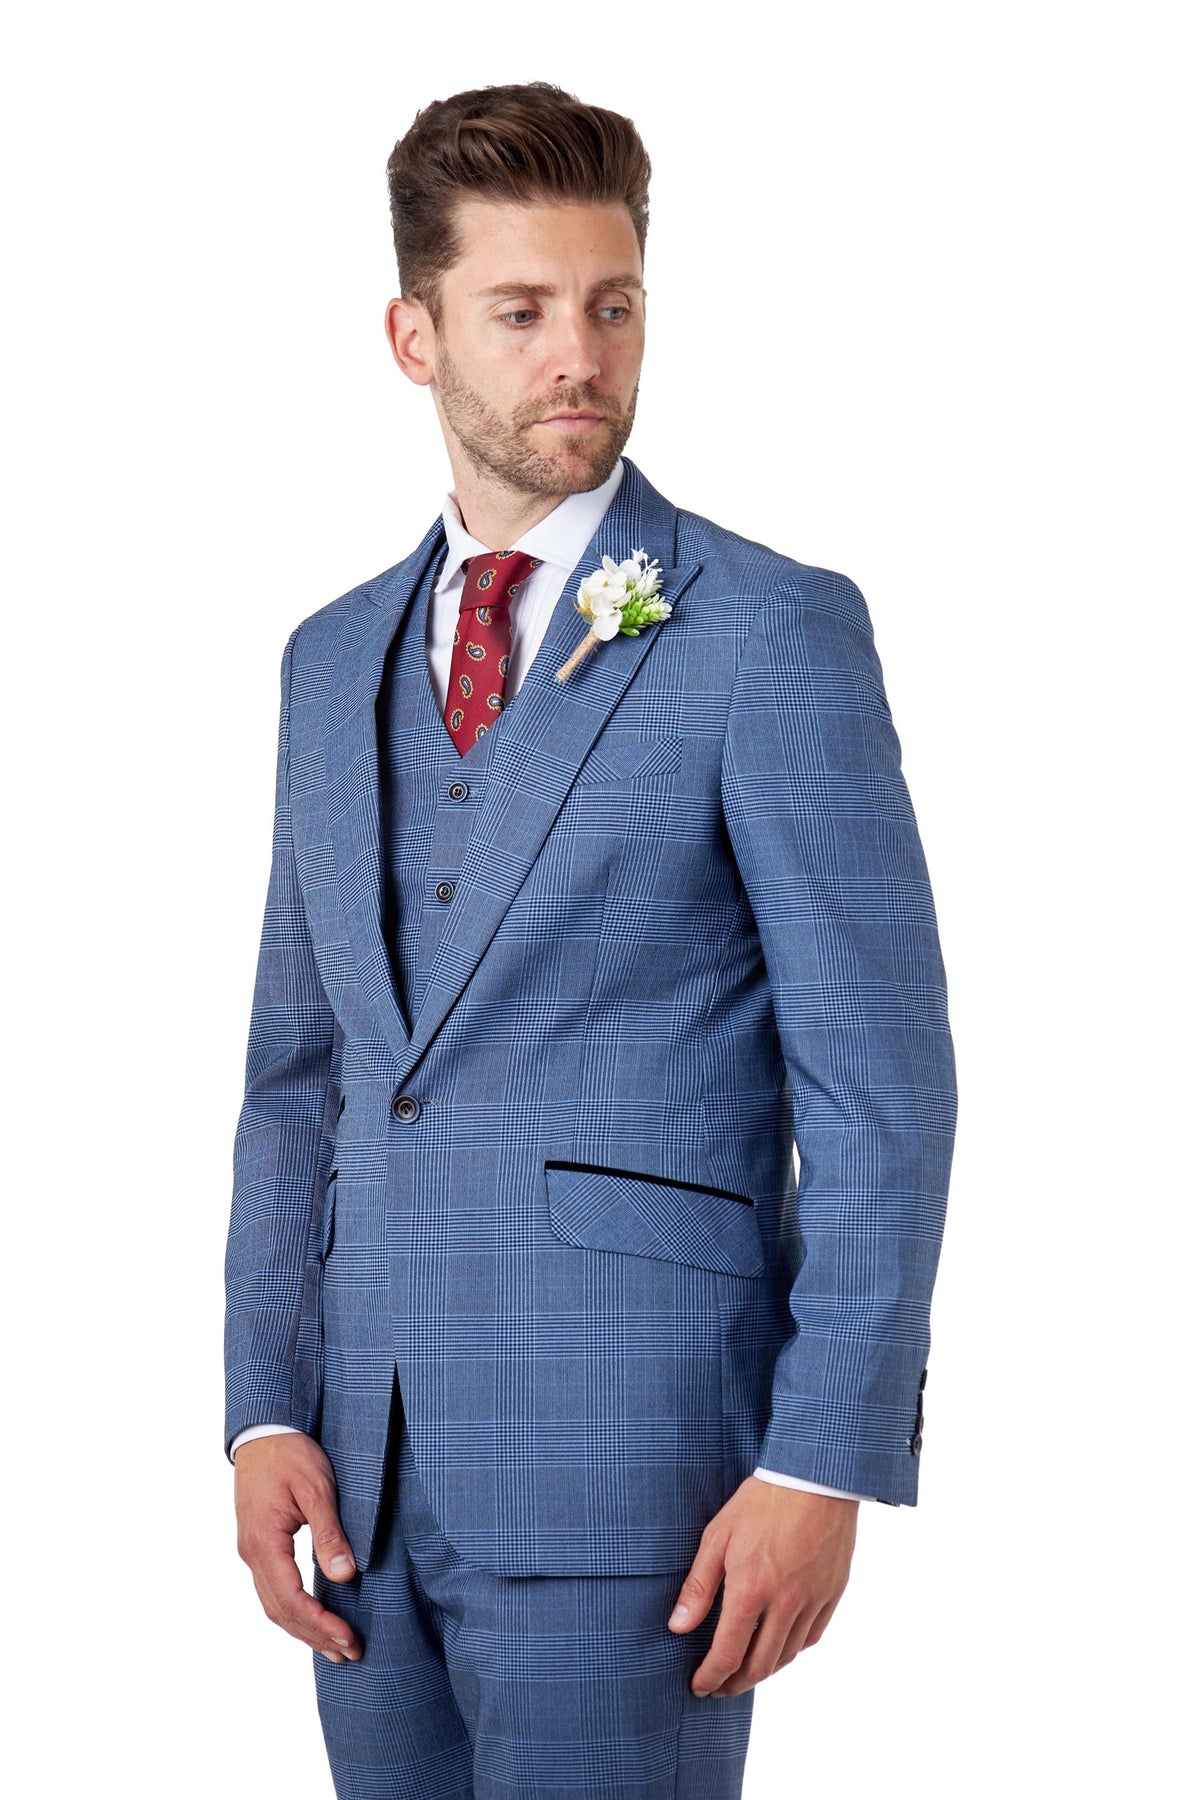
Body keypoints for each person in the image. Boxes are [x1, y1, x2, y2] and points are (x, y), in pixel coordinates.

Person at [224, 80, 957, 1800]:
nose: (583, 356)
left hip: (647, 1482)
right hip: (356, 1493)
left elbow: (879, 1083)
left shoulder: (766, 630)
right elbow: (297, 1079)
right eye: (525, 311)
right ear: (413, 337)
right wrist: (263, 1406)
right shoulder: (327, 662)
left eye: (613, 305)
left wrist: (824, 1457)